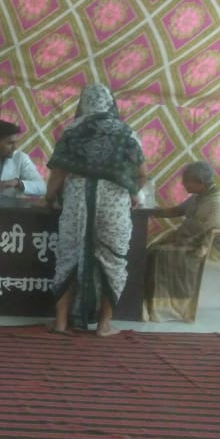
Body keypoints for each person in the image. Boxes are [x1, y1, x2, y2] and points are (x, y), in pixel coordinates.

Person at [45, 84, 146, 336]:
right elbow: (141, 174)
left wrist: (48, 198)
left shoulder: (72, 131)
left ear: (83, 103)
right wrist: (133, 191)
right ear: (111, 104)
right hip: (113, 204)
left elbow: (58, 173)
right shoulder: (127, 133)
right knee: (113, 260)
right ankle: (103, 325)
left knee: (69, 256)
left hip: (77, 200)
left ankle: (60, 323)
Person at [144, 161, 220, 323]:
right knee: (154, 249)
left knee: (163, 254)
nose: (183, 184)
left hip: (215, 245)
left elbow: (217, 231)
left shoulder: (218, 201)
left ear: (200, 182)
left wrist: (193, 244)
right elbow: (177, 210)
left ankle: (172, 308)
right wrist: (150, 212)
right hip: (197, 239)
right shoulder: (199, 197)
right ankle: (150, 303)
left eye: (186, 181)